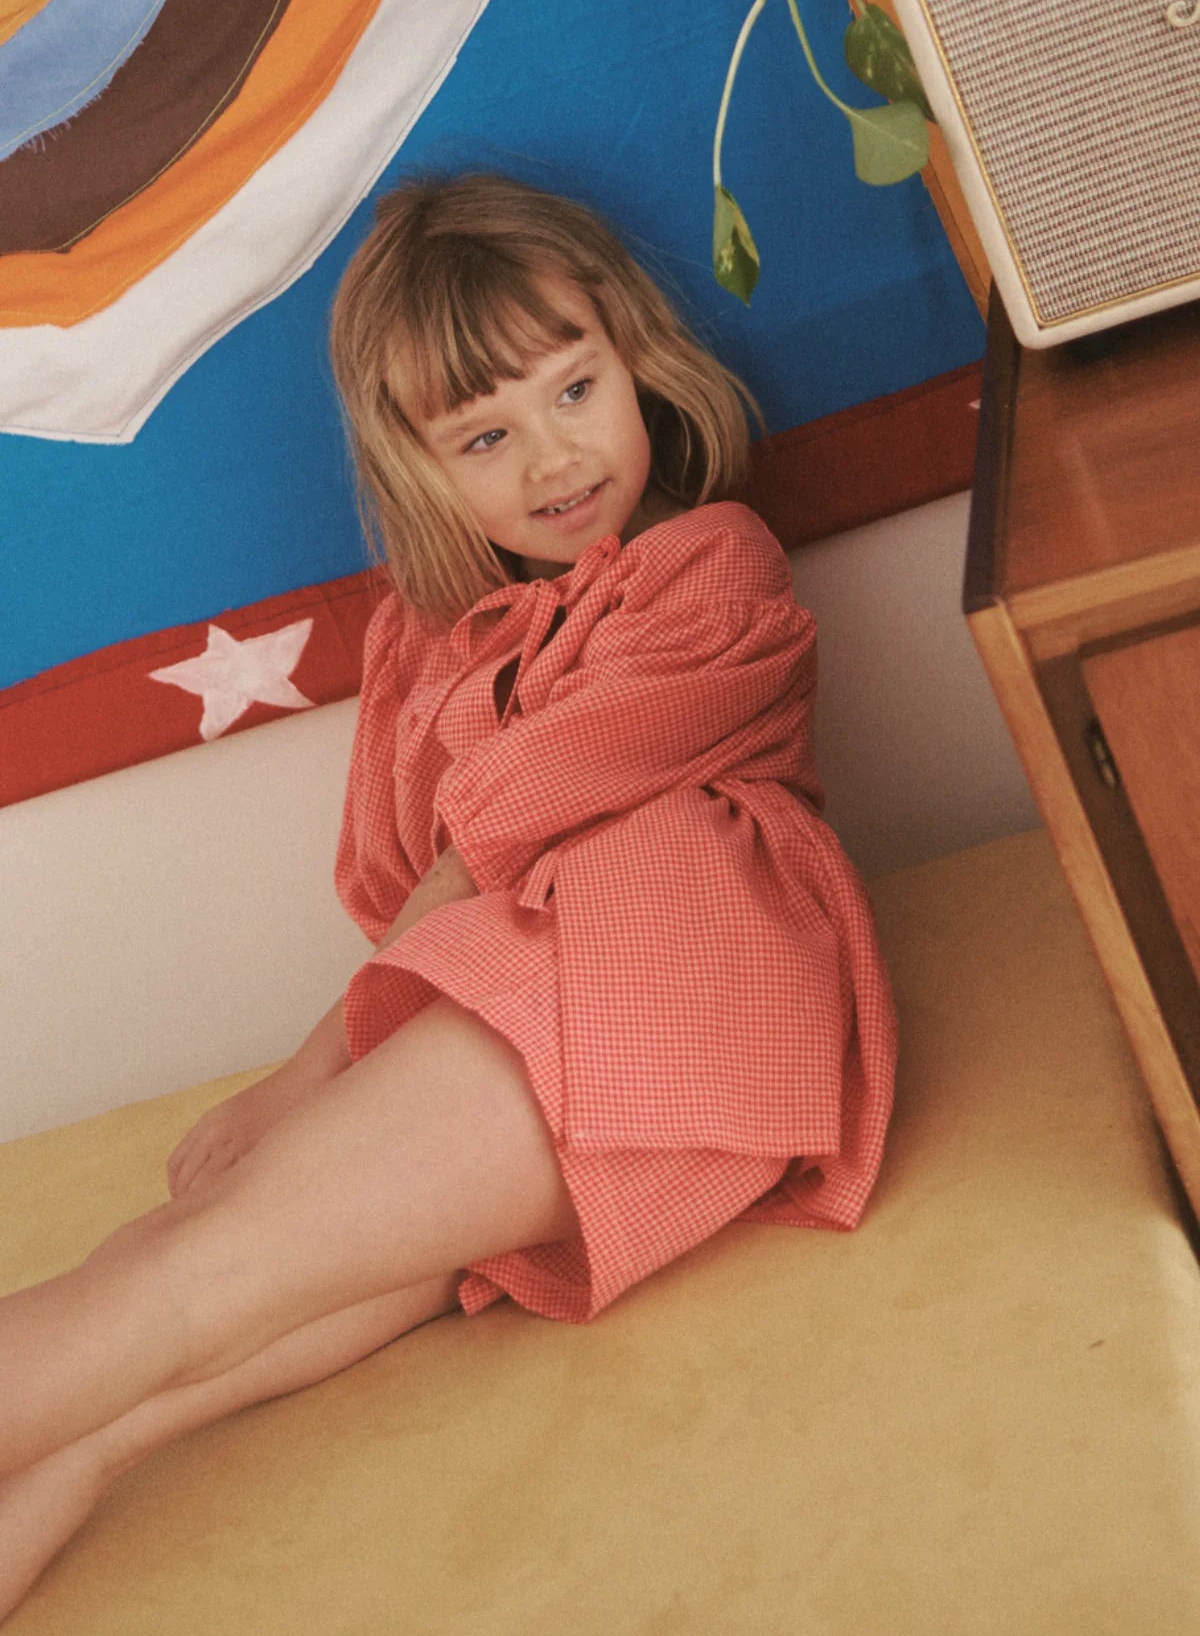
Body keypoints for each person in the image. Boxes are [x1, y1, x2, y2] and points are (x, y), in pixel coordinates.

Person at [0, 172, 897, 1618]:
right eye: (486, 435)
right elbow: (404, 868)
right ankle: (55, 1481)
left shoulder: (710, 569)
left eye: (572, 390)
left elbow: (490, 836)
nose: (552, 458)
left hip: (665, 987)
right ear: (421, 468)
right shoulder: (440, 636)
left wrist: (302, 1080)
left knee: (184, 1282)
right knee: (172, 1318)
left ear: (632, 358)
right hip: (560, 1021)